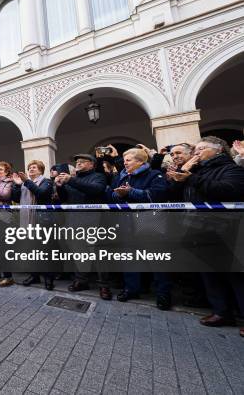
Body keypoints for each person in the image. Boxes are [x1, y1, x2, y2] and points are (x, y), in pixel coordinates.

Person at [167, 137, 244, 336]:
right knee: (209, 273)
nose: (197, 152)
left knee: (235, 275)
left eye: (201, 149)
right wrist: (184, 171)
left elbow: (228, 190)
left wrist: (191, 177)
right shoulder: (196, 170)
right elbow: (175, 192)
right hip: (198, 229)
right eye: (196, 149)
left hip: (225, 229)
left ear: (218, 151)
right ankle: (221, 311)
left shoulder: (231, 169)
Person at [107, 148, 171, 309]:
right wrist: (119, 194)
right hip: (127, 221)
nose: (124, 163)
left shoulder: (154, 175)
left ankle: (163, 294)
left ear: (141, 161)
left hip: (149, 220)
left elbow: (156, 195)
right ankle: (131, 289)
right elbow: (110, 195)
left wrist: (131, 192)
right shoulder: (122, 176)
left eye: (128, 160)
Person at [55, 154, 109, 296]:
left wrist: (70, 180)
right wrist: (60, 187)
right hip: (73, 220)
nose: (78, 163)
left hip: (93, 221)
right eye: (77, 162)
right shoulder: (74, 179)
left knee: (98, 255)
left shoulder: (98, 177)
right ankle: (81, 280)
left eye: (82, 161)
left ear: (92, 164)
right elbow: (65, 198)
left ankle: (104, 285)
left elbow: (95, 190)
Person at [11, 160, 54, 289]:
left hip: (41, 220)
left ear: (41, 170)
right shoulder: (25, 184)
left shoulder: (46, 182)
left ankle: (48, 278)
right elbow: (15, 198)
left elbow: (41, 193)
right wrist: (18, 185)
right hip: (26, 219)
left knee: (44, 251)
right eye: (29, 168)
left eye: (34, 167)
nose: (31, 169)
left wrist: (26, 181)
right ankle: (34, 276)